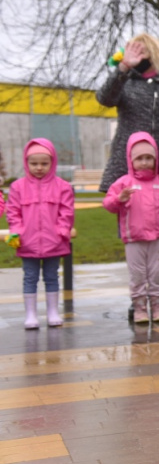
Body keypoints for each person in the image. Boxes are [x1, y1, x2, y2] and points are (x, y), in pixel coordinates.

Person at [97, 32, 159, 319]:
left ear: (155, 53)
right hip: (128, 170)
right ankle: (138, 297)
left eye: (143, 51)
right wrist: (122, 68)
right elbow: (104, 98)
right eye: (133, 51)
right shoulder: (124, 80)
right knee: (134, 235)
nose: (138, 56)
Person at [102, 132, 159, 323]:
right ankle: (139, 308)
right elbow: (108, 204)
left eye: (149, 158)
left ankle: (157, 306)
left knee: (157, 274)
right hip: (134, 238)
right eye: (139, 159)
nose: (145, 162)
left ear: (156, 159)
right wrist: (119, 199)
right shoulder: (124, 183)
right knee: (137, 274)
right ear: (131, 160)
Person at [5, 139, 75, 329]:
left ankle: (53, 312)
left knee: (52, 276)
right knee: (30, 277)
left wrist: (61, 231)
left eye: (44, 163)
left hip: (55, 241)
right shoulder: (18, 187)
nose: (39, 168)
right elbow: (13, 212)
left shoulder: (62, 186)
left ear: (52, 163)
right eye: (34, 163)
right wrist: (17, 232)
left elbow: (67, 212)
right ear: (26, 163)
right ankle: (31, 314)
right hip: (27, 242)